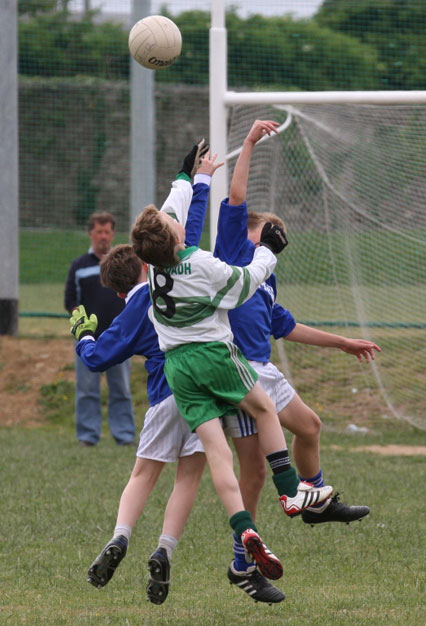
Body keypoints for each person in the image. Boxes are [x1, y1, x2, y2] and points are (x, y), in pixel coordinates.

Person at [130, 136, 334, 590]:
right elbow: (244, 283)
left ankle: (243, 526)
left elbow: (170, 209)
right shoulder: (199, 263)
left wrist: (189, 176)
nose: (177, 220)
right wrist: (268, 252)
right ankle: (289, 491)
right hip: (214, 356)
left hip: (178, 369)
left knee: (217, 455)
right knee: (263, 409)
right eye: (174, 222)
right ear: (177, 236)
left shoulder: (155, 263)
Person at [213, 119, 380, 602]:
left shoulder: (266, 277)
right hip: (237, 371)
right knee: (255, 473)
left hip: (263, 367)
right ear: (250, 230)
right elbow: (239, 193)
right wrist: (248, 143)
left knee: (309, 427)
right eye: (271, 232)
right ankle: (242, 563)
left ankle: (314, 500)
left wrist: (343, 343)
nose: (277, 241)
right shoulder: (231, 251)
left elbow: (285, 325)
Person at [70, 145, 220, 605]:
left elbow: (97, 360)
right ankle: (164, 550)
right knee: (188, 479)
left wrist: (83, 336)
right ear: (145, 262)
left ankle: (120, 537)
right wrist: (194, 179)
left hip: (164, 396)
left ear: (117, 292)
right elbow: (183, 225)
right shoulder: (170, 271)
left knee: (142, 476)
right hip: (201, 390)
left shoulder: (132, 306)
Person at [64, 211, 135, 447]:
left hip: (118, 339)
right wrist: (82, 327)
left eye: (107, 232)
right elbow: (70, 300)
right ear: (90, 234)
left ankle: (124, 436)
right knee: (86, 390)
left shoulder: (124, 264)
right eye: (99, 232)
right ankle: (87, 436)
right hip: (88, 340)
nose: (103, 236)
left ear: (112, 233)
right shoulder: (79, 266)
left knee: (122, 390)